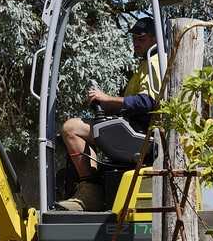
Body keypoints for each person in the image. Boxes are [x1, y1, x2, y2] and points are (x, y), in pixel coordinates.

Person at [56, 16, 160, 211]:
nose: (135, 44)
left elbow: (148, 102)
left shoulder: (155, 62)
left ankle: (91, 191)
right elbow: (132, 103)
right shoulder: (147, 64)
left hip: (142, 135)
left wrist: (107, 99)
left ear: (155, 40)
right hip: (138, 129)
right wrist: (104, 103)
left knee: (71, 129)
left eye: (141, 39)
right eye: (134, 39)